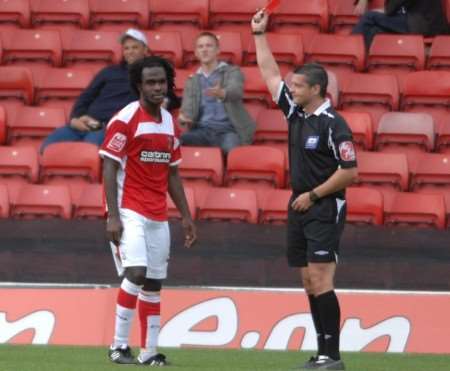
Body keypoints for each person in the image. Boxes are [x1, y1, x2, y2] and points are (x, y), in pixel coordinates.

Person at [252, 10, 358, 371]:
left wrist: (313, 195)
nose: (290, 89)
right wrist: (258, 35)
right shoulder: (297, 115)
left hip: (324, 206)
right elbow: (268, 74)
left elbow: (350, 172)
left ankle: (333, 356)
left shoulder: (333, 124)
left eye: (297, 86)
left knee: (321, 277)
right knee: (307, 280)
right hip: (299, 205)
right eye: (292, 85)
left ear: (315, 89)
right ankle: (321, 352)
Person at [99, 56, 196, 366]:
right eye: (150, 82)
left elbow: (172, 173)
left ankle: (150, 352)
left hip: (158, 214)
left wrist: (185, 215)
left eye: (161, 81)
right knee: (136, 273)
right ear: (139, 85)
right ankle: (118, 346)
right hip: (129, 210)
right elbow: (109, 165)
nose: (157, 87)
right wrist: (112, 215)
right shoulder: (125, 118)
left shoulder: (169, 122)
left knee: (154, 283)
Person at [40, 28, 180, 153]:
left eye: (134, 47)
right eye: (126, 48)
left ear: (145, 50)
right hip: (85, 123)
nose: (130, 51)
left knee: (87, 153)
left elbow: (172, 98)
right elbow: (86, 97)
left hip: (109, 128)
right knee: (47, 148)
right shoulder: (109, 72)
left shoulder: (151, 74)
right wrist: (76, 118)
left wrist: (165, 101)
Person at [179, 31, 256, 155]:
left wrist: (223, 93)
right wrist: (184, 118)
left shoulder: (232, 72)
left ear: (218, 50)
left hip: (228, 131)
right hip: (202, 131)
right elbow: (187, 110)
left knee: (233, 152)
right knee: (178, 143)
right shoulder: (192, 80)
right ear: (196, 53)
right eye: (200, 47)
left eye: (209, 46)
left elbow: (236, 91)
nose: (204, 50)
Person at [352, 0, 449, 50]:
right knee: (373, 31)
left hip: (424, 24)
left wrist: (383, 11)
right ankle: (368, 59)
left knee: (369, 16)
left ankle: (352, 49)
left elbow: (391, 8)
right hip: (419, 21)